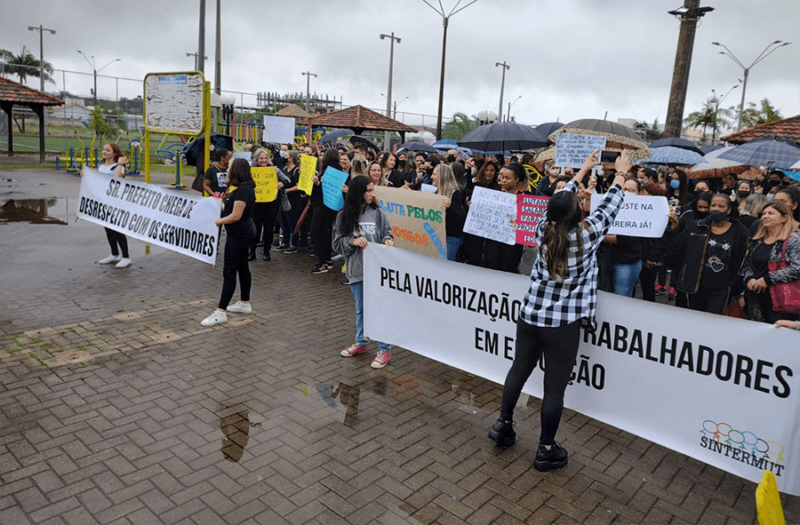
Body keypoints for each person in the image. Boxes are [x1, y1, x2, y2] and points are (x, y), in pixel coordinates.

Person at [488, 151, 630, 472]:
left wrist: (584, 170)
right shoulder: (588, 233)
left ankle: (502, 425)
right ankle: (546, 449)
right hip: (562, 324)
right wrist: (619, 173)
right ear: (578, 211)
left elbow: (559, 196)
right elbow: (611, 204)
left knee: (518, 371)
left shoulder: (542, 227)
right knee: (554, 388)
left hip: (530, 315)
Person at [333, 177, 395, 368]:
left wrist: (388, 240)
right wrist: (352, 242)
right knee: (361, 308)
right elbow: (337, 244)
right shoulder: (344, 216)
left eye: (372, 190)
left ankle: (385, 348)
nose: (372, 194)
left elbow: (388, 232)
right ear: (358, 192)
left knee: (379, 309)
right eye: (368, 190)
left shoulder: (377, 213)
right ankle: (361, 342)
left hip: (377, 271)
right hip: (357, 270)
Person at [666, 194, 749, 314]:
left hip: (721, 287)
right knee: (694, 318)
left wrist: (736, 285)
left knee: (713, 319)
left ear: (729, 210)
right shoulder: (696, 226)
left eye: (721, 206)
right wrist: (674, 226)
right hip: (695, 284)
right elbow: (677, 246)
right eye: (713, 205)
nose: (716, 209)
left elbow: (741, 258)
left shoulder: (739, 232)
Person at [201, 159, 257, 327]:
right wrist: (224, 200)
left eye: (230, 168)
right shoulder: (240, 189)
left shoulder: (244, 190)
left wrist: (218, 221)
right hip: (241, 233)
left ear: (236, 170)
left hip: (239, 234)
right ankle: (244, 303)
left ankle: (220, 311)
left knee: (230, 270)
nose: (227, 170)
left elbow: (235, 216)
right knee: (242, 267)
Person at [740, 201, 800, 323]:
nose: (765, 216)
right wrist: (749, 278)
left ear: (784, 218)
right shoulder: (757, 240)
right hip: (756, 298)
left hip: (782, 301)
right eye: (763, 213)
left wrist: (767, 279)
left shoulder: (793, 240)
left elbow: (797, 268)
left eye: (771, 213)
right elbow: (748, 264)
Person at [89, 143, 131, 268]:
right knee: (108, 228)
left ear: (114, 153)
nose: (104, 152)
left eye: (108, 150)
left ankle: (126, 257)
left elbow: (116, 177)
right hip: (104, 202)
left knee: (118, 229)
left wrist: (120, 163)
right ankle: (114, 254)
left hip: (116, 203)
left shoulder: (118, 167)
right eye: (103, 149)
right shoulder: (101, 166)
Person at [483, 164, 527, 273]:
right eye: (502, 177)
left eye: (508, 178)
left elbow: (526, 225)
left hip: (512, 246)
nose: (503, 181)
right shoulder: (495, 195)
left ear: (516, 180)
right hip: (493, 243)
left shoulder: (524, 199)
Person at [604, 178, 644, 297]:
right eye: (624, 189)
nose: (627, 192)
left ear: (639, 192)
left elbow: (629, 238)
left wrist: (602, 238)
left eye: (631, 190)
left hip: (627, 261)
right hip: (607, 260)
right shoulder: (611, 206)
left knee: (622, 296)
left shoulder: (642, 212)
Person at [249, 150, 288, 261]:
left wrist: (282, 183)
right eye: (261, 158)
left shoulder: (274, 170)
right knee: (255, 229)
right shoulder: (251, 171)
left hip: (271, 204)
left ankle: (266, 251)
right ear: (256, 159)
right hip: (255, 204)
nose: (264, 160)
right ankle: (252, 251)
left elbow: (287, 180)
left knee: (268, 229)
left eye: (265, 158)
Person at [310, 149, 343, 274]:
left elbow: (324, 189)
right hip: (328, 207)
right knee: (324, 233)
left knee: (317, 232)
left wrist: (317, 183)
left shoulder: (329, 169)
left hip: (322, 206)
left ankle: (322, 261)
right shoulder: (337, 169)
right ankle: (327, 260)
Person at [432, 163, 465, 261]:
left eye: (434, 174)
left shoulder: (455, 194)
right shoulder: (435, 193)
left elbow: (459, 218)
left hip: (451, 237)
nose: (431, 177)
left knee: (447, 264)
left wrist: (449, 207)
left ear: (442, 176)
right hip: (438, 235)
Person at [276, 151, 302, 254]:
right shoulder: (284, 169)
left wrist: (288, 190)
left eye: (285, 156)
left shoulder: (296, 171)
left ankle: (294, 244)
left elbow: (298, 185)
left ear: (291, 158)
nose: (283, 158)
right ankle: (284, 242)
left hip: (294, 199)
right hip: (283, 199)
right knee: (284, 221)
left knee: (293, 222)